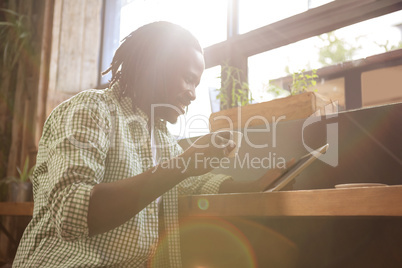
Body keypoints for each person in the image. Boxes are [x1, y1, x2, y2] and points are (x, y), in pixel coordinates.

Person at [13, 21, 289, 267]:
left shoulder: (161, 137)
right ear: (154, 67)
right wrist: (183, 164)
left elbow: (190, 184)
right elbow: (71, 211)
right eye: (188, 79)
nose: (193, 94)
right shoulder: (90, 109)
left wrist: (255, 185)